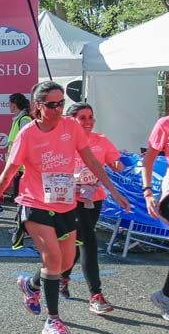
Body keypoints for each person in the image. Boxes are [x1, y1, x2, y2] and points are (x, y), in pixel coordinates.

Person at [0, 82, 129, 334]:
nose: (59, 109)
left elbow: (92, 161)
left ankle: (31, 285)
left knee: (63, 263)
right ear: (38, 106)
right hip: (35, 202)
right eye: (52, 104)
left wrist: (114, 192)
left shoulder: (71, 127)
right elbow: (9, 171)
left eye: (61, 103)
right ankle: (53, 321)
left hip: (64, 203)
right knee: (51, 258)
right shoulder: (27, 134)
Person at [46, 103, 122, 313]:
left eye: (90, 117)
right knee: (88, 239)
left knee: (76, 242)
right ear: (71, 121)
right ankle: (95, 295)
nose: (88, 122)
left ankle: (62, 276)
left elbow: (114, 159)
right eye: (82, 118)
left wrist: (117, 164)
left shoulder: (101, 140)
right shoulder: (61, 140)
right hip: (69, 200)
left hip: (94, 198)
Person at [144, 69, 169, 322]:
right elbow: (147, 161)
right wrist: (148, 192)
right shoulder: (167, 124)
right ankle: (166, 296)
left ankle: (165, 296)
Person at [5, 93, 33, 201]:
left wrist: (17, 164)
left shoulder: (24, 119)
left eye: (9, 103)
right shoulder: (18, 119)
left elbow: (25, 144)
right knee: (18, 195)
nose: (8, 105)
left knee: (21, 196)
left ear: (14, 105)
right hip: (17, 164)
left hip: (21, 165)